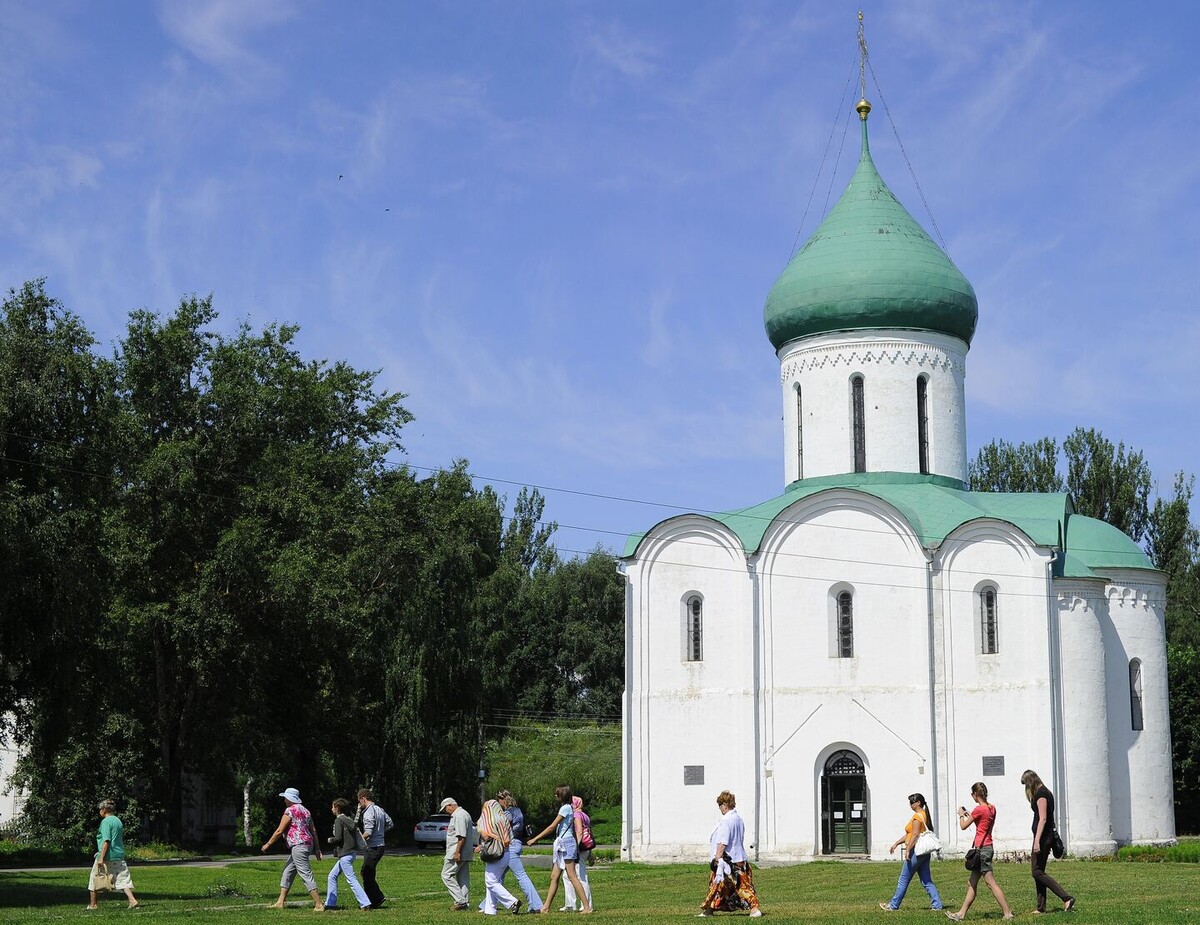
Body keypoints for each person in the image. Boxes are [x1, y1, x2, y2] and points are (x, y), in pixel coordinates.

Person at [945, 782, 1013, 921]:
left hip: (982, 850)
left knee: (990, 882)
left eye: (972, 794)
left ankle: (1008, 912)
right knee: (972, 883)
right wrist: (972, 816)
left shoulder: (978, 810)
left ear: (976, 794)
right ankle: (961, 914)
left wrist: (960, 815)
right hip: (987, 847)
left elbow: (964, 826)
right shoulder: (992, 808)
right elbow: (983, 822)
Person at [527, 785, 593, 914]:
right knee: (554, 876)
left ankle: (586, 907)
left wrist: (535, 839)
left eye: (556, 794)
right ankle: (545, 907)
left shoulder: (565, 808)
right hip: (563, 844)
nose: (554, 796)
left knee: (572, 875)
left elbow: (552, 827)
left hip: (566, 844)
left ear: (561, 796)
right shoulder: (568, 808)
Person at [697, 790, 762, 918]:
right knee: (718, 886)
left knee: (741, 886)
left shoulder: (726, 820)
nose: (720, 809)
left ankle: (754, 909)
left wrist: (717, 857)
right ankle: (709, 910)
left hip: (729, 860)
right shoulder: (738, 819)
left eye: (720, 806)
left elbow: (723, 841)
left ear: (725, 805)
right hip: (739, 857)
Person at [1020, 770, 1075, 914]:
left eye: (1026, 785)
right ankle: (1041, 907)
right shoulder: (1045, 792)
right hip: (1044, 836)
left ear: (1030, 782)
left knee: (1036, 872)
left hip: (1043, 838)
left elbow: (1043, 818)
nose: (1026, 789)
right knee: (1039, 871)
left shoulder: (1042, 794)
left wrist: (1037, 840)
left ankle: (1066, 898)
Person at [262, 787, 324, 911]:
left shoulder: (289, 811)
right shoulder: (306, 811)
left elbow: (279, 830)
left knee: (305, 873)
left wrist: (268, 844)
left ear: (290, 799)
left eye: (285, 798)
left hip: (298, 846)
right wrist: (317, 849)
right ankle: (280, 902)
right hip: (307, 844)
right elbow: (314, 831)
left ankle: (318, 904)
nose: (284, 800)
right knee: (288, 872)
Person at [880, 792, 943, 912]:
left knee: (903, 879)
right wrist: (897, 843)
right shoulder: (923, 815)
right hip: (924, 854)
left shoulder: (917, 817)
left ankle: (893, 905)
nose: (910, 805)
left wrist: (908, 850)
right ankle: (937, 905)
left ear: (918, 803)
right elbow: (909, 834)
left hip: (916, 852)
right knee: (926, 880)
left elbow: (915, 835)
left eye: (911, 802)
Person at [87, 800, 139, 910]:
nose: (100, 811)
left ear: (104, 810)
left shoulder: (106, 822)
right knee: (122, 879)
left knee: (94, 879)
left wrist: (101, 857)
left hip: (106, 856)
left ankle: (93, 904)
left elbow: (106, 840)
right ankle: (132, 900)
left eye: (100, 809)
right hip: (118, 855)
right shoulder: (118, 821)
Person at [476, 797, 522, 914]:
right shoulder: (504, 819)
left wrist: (492, 838)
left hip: (495, 854)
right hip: (506, 853)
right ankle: (490, 909)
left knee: (491, 882)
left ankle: (513, 901)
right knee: (492, 881)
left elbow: (485, 836)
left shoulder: (488, 821)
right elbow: (508, 840)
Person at [499, 789, 543, 912]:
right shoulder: (518, 810)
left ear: (502, 800)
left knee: (521, 876)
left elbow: (503, 826)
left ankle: (536, 904)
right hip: (518, 842)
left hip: (510, 846)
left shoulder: (507, 812)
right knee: (497, 877)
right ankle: (487, 904)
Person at [325, 798, 371, 910]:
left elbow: (338, 838)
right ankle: (330, 904)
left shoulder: (339, 820)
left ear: (337, 808)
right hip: (351, 853)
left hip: (344, 855)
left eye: (332, 807)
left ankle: (365, 903)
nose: (331, 809)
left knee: (351, 879)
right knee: (332, 876)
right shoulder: (349, 820)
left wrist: (330, 840)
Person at [357, 788, 392, 909]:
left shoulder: (368, 812)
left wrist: (357, 841)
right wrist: (381, 832)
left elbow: (368, 832)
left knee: (366, 873)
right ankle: (375, 898)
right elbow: (390, 823)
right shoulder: (379, 809)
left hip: (373, 846)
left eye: (359, 801)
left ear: (363, 798)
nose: (359, 805)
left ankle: (375, 899)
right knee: (368, 872)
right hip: (381, 845)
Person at [440, 797, 477, 911]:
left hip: (457, 852)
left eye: (445, 809)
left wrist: (457, 852)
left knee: (446, 875)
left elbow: (461, 836)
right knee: (463, 878)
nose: (445, 812)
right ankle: (465, 903)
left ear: (450, 805)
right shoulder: (465, 814)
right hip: (465, 852)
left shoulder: (459, 815)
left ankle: (460, 901)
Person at [561, 795, 594, 912]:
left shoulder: (576, 815)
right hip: (585, 848)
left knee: (579, 876)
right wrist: (590, 853)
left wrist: (574, 848)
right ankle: (571, 903)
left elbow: (579, 832)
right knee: (568, 875)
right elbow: (589, 834)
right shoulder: (585, 815)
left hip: (579, 849)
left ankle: (585, 904)